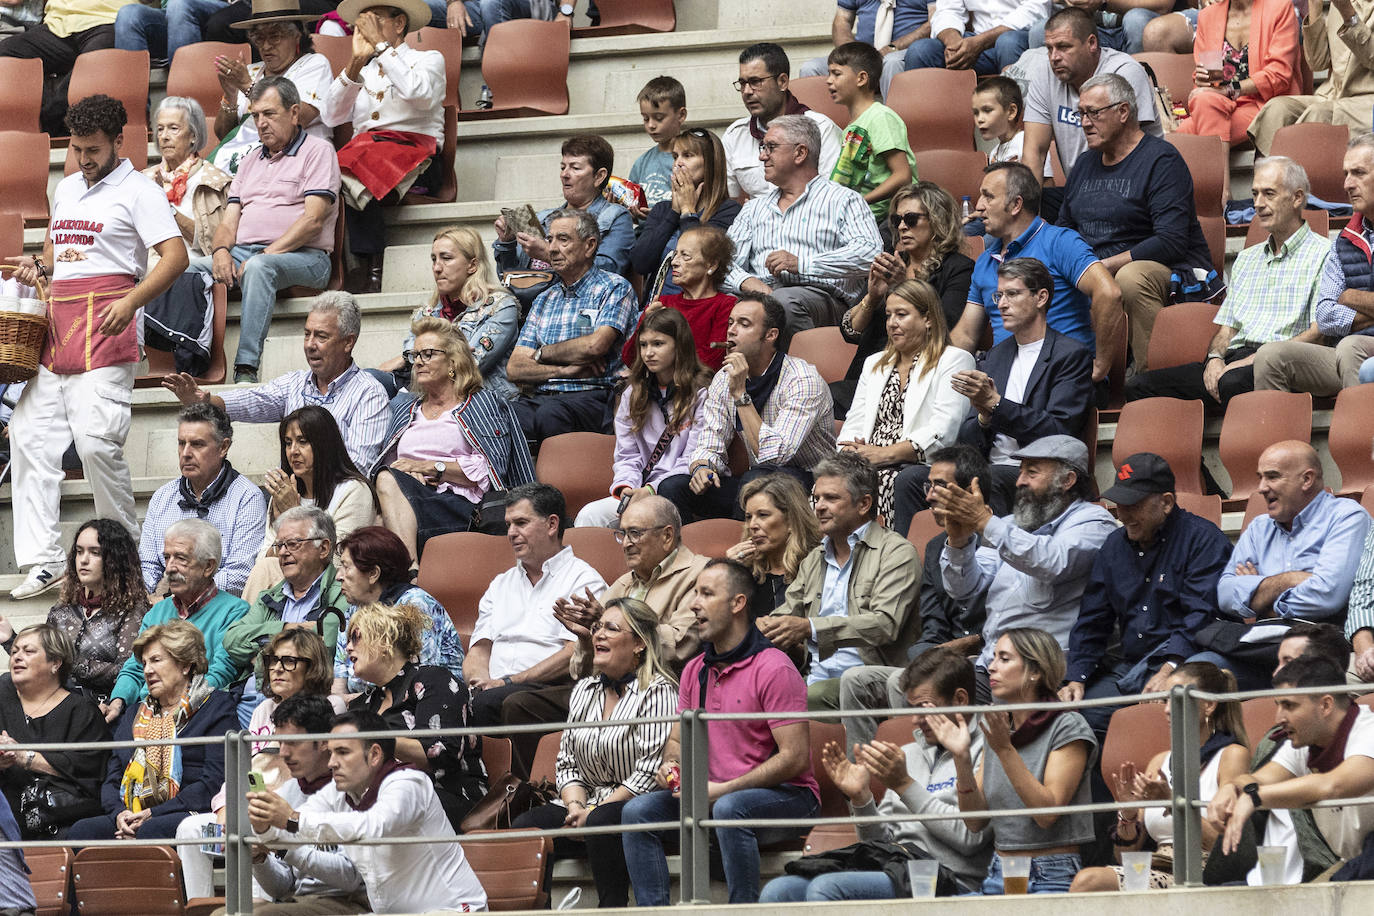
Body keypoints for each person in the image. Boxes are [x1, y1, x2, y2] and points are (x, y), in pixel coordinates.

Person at [6, 95, 188, 601]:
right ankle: (43, 560)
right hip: (59, 329)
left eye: (93, 150)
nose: (84, 159)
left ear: (119, 142)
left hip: (109, 325)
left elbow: (175, 257)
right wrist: (37, 269)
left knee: (94, 444)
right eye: (78, 150)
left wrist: (132, 302)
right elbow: (55, 255)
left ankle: (123, 558)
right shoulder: (64, 188)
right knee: (27, 437)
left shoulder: (138, 190)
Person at [621, 559, 821, 905]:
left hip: (788, 795)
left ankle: (741, 910)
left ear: (738, 604)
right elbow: (676, 741)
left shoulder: (774, 666)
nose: (694, 603)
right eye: (695, 592)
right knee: (636, 814)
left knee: (730, 809)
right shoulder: (694, 669)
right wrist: (672, 768)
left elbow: (795, 758)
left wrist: (723, 790)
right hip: (715, 794)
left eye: (706, 593)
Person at [760, 648, 993, 901]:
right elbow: (880, 842)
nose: (915, 720)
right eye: (910, 708)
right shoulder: (910, 753)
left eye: (925, 707)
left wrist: (905, 785)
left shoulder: (990, 751)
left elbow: (970, 838)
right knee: (780, 890)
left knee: (828, 888)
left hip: (948, 879)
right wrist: (862, 800)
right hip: (896, 867)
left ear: (960, 699)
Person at [502, 495, 709, 776]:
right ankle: (535, 789)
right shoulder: (624, 583)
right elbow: (579, 669)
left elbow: (680, 644)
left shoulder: (701, 573)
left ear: (667, 535)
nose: (625, 543)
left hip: (655, 690)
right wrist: (587, 637)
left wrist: (612, 624)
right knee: (518, 705)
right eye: (621, 534)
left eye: (635, 533)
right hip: (604, 688)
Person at [898, 257, 1094, 526]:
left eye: (1012, 294)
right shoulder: (994, 357)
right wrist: (984, 418)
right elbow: (967, 440)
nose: (1001, 304)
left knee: (994, 477)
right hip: (988, 467)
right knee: (910, 480)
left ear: (1041, 297)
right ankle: (908, 562)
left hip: (1038, 470)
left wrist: (996, 405)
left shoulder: (1070, 355)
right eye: (998, 295)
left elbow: (1060, 431)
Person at [511, 598, 677, 907]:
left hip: (635, 806)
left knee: (603, 821)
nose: (598, 634)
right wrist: (576, 807)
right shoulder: (585, 690)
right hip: (586, 804)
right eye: (597, 627)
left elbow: (647, 774)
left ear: (639, 643)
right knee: (526, 827)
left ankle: (611, 908)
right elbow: (568, 763)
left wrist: (591, 815)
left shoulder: (658, 691)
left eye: (611, 628)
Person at [1125, 157, 1329, 410]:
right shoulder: (1246, 258)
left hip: (1278, 362)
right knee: (1139, 387)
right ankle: (1179, 450)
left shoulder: (1325, 254)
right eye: (1254, 194)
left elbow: (1317, 334)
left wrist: (1251, 361)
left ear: (1297, 198)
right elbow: (1226, 330)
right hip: (1233, 361)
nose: (1257, 204)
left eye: (1269, 194)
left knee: (1232, 383)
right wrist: (1214, 359)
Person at [1059, 452, 1234, 735]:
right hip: (1131, 666)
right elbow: (1092, 619)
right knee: (1072, 719)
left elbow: (1202, 616)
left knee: (1145, 711)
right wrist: (1076, 678)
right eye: (1118, 504)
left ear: (1166, 502)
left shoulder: (1203, 540)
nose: (1123, 514)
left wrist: (1170, 668)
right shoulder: (1114, 547)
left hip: (1189, 661)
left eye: (1133, 504)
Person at [249, 709, 488, 913]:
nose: (331, 762)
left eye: (342, 752)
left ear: (374, 754)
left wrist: (291, 820)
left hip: (453, 911)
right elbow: (295, 825)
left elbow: (373, 827)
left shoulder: (409, 784)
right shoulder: (338, 790)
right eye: (330, 753)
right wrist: (266, 829)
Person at [936, 435, 1116, 700]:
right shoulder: (1010, 524)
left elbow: (1053, 562)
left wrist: (986, 523)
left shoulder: (1094, 522)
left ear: (1068, 481)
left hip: (1042, 672)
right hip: (992, 664)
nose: (1019, 481)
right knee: (916, 688)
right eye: (1020, 472)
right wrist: (959, 541)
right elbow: (964, 589)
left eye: (1031, 473)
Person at [1057, 73, 1217, 371]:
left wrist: (1104, 267)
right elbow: (1065, 230)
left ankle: (1153, 378)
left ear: (1123, 112)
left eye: (1093, 112)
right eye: (1081, 114)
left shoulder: (1161, 160)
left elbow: (1171, 241)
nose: (1084, 122)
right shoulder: (1083, 164)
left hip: (1165, 269)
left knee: (1130, 279)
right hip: (1096, 270)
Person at [174, 629, 348, 902]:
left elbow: (313, 770)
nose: (277, 669)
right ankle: (201, 906)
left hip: (288, 812)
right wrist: (225, 808)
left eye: (289, 661)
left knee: (253, 834)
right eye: (272, 661)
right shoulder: (263, 710)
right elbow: (248, 769)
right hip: (251, 808)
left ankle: (258, 906)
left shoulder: (330, 707)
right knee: (193, 830)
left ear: (312, 667)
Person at [188, 75, 340, 384]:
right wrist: (219, 253)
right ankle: (189, 357)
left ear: (294, 113)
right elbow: (229, 222)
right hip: (245, 251)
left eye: (269, 114)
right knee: (186, 269)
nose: (261, 123)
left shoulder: (319, 151)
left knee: (258, 267)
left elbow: (313, 221)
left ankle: (246, 368)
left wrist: (264, 254)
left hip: (307, 257)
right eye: (255, 115)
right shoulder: (249, 161)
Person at [839, 443, 991, 750]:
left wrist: (962, 646)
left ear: (970, 491)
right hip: (939, 657)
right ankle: (864, 787)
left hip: (986, 661)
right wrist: (929, 654)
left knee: (903, 681)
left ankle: (917, 776)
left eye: (940, 486)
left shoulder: (1003, 541)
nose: (929, 496)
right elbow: (932, 625)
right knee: (854, 679)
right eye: (929, 485)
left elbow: (1007, 625)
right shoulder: (935, 547)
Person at [930, 628, 1097, 894]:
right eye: (993, 657)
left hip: (1052, 876)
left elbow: (1046, 814)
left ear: (1035, 671)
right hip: (998, 872)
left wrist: (1005, 750)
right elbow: (975, 821)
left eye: (1004, 659)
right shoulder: (999, 726)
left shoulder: (1067, 726)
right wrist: (961, 759)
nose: (991, 667)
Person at [164, 291, 391, 473]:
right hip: (292, 498)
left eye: (321, 336)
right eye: (306, 334)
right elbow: (254, 400)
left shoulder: (368, 393)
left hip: (341, 505)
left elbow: (359, 468)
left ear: (348, 342)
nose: (310, 344)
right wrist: (206, 401)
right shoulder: (295, 384)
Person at [1071, 661, 1249, 891]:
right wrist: (1128, 813)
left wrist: (1174, 802)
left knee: (1089, 882)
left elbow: (1225, 844)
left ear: (1209, 705)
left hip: (1205, 871)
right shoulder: (1160, 761)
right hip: (1158, 866)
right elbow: (1124, 855)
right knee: (1090, 880)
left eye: (1176, 700)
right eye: (1165, 700)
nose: (1166, 709)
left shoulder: (1232, 755)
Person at [659, 295, 837, 523]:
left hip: (813, 483)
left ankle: (741, 555)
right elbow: (709, 443)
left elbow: (776, 455)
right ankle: (685, 556)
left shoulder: (802, 379)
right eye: (731, 322)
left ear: (771, 335)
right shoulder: (724, 379)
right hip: (759, 479)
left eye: (744, 324)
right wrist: (702, 467)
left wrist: (741, 395)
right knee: (674, 487)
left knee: (754, 482)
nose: (731, 331)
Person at [764, 452, 922, 709]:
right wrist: (763, 628)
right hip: (813, 678)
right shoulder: (814, 559)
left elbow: (885, 625)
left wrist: (810, 628)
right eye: (817, 498)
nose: (819, 506)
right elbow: (787, 613)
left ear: (864, 504)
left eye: (831, 498)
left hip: (872, 679)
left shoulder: (896, 552)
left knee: (806, 698)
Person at [373, 317, 535, 562]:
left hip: (462, 507)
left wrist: (429, 468)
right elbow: (392, 466)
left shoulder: (481, 403)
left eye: (428, 354)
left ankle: (409, 571)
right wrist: (407, 477)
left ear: (453, 361)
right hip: (410, 500)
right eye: (414, 355)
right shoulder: (406, 410)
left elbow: (491, 470)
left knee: (386, 488)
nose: (418, 362)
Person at [1212, 441, 1371, 686]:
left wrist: (1261, 601)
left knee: (1299, 679)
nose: (1262, 488)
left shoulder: (1346, 517)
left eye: (1272, 477)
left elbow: (1326, 596)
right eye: (1260, 477)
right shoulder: (1258, 528)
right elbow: (1224, 595)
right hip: (1262, 645)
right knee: (1196, 678)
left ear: (1307, 479)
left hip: (1318, 646)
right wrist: (1288, 580)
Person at [949, 163, 1122, 387]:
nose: (979, 206)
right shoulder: (984, 261)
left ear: (1015, 204)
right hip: (1007, 380)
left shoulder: (1060, 242)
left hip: (1061, 378)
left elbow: (1109, 293)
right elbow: (966, 335)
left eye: (988, 197)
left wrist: (1100, 366)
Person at [1209, 656, 1374, 885]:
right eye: (1277, 705)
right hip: (1355, 865)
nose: (1279, 718)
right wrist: (1232, 787)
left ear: (1325, 705)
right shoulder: (1303, 743)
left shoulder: (1369, 732)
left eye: (1289, 706)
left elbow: (1332, 785)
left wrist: (1254, 797)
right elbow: (1258, 779)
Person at [68, 620, 238, 840]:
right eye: (145, 663)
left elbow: (214, 782)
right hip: (133, 813)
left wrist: (153, 814)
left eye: (156, 660)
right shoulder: (134, 714)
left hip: (195, 814)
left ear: (185, 665)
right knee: (82, 831)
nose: (147, 670)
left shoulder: (216, 706)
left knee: (152, 831)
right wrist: (120, 814)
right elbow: (113, 776)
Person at [321, 0, 445, 293]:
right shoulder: (364, 67)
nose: (364, 29)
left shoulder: (429, 58)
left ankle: (372, 266)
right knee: (327, 171)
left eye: (373, 21)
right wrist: (355, 61)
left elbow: (419, 94)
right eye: (361, 23)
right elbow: (331, 115)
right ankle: (356, 266)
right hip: (366, 152)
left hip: (417, 152)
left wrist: (381, 47)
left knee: (350, 170)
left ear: (399, 23)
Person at [725, 114, 883, 333]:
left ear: (800, 153)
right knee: (713, 307)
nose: (762, 156)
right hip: (758, 296)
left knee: (782, 303)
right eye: (763, 147)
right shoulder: (753, 209)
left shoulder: (844, 200)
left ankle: (798, 367)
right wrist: (746, 282)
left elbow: (870, 255)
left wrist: (803, 264)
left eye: (770, 147)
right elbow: (721, 263)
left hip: (819, 298)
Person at [465, 483, 606, 726]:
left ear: (552, 524)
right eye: (508, 524)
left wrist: (509, 682)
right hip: (495, 691)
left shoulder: (583, 580)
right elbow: (479, 649)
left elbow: (573, 654)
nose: (510, 533)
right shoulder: (500, 584)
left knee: (496, 704)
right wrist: (480, 682)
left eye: (521, 523)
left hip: (549, 689)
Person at [838, 279, 974, 521]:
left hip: (912, 464)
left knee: (884, 481)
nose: (892, 323)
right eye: (889, 315)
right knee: (829, 484)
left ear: (928, 319)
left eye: (902, 314)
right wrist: (850, 448)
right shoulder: (874, 363)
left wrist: (885, 454)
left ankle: (891, 556)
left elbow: (944, 431)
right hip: (866, 461)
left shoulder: (954, 360)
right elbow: (854, 419)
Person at [835, 182, 974, 417]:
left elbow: (943, 328)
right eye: (897, 220)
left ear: (937, 221)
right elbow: (850, 331)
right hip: (869, 375)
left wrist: (902, 287)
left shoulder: (959, 268)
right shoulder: (893, 262)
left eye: (910, 219)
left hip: (914, 380)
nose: (901, 227)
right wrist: (874, 295)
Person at [344, 602, 486, 829]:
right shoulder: (364, 704)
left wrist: (375, 737)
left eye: (356, 637)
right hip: (385, 803)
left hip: (447, 797)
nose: (348, 648)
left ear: (385, 640)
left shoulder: (433, 680)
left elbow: (442, 756)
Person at [1253, 133, 1374, 394]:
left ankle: (1361, 434)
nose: (1347, 184)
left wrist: (1350, 296)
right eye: (1346, 174)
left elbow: (1338, 305)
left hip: (1353, 350)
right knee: (1270, 356)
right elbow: (1326, 316)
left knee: (1351, 346)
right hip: (1346, 355)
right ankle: (1279, 437)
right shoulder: (1345, 241)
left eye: (1359, 173)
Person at [505, 210, 640, 442]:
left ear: (589, 246)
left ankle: (557, 478)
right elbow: (515, 368)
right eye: (550, 239)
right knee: (497, 415)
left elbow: (595, 346)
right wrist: (562, 371)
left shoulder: (614, 288)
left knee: (550, 414)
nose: (553, 248)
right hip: (543, 395)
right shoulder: (544, 299)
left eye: (563, 239)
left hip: (594, 396)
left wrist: (542, 353)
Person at [107, 519, 252, 725]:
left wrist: (177, 709)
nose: (169, 568)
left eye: (181, 558)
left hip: (198, 716)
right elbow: (135, 666)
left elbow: (221, 672)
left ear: (208, 566)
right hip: (145, 712)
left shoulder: (235, 611)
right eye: (167, 557)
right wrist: (118, 701)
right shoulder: (158, 611)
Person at [236, 693, 369, 911]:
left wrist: (283, 845)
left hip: (350, 901)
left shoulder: (354, 789)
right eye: (280, 743)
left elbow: (351, 878)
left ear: (325, 741)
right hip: (299, 902)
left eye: (293, 743)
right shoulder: (288, 791)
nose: (283, 753)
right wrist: (260, 859)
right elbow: (283, 887)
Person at [578, 310, 710, 528]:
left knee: (656, 507)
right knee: (590, 515)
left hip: (679, 489)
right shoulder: (633, 393)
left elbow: (694, 458)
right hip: (640, 488)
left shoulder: (702, 392)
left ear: (679, 346)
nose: (649, 353)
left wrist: (652, 489)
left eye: (658, 344)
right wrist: (626, 487)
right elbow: (627, 456)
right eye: (644, 345)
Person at [224, 507, 350, 723]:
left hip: (302, 710)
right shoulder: (270, 596)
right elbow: (232, 639)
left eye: (292, 544)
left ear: (324, 548)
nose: (282, 552)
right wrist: (286, 629)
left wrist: (260, 653)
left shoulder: (342, 593)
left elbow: (325, 644)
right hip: (245, 704)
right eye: (279, 545)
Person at [241, 405, 378, 602]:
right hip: (284, 583)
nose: (293, 451)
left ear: (324, 444)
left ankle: (245, 630)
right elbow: (265, 556)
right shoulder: (284, 492)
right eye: (288, 443)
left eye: (302, 442)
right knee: (264, 567)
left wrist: (292, 513)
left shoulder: (354, 491)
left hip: (334, 590)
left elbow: (338, 561)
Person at [372, 226, 520, 399]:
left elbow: (470, 365)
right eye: (434, 259)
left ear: (472, 265)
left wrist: (407, 358)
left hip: (477, 398)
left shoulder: (500, 307)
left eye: (446, 258)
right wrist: (412, 357)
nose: (437, 268)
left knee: (401, 402)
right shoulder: (426, 312)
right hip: (428, 391)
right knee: (371, 380)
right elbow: (415, 361)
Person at [1020, 8, 1162, 185]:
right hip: (1079, 189)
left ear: (1092, 43)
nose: (1054, 57)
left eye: (1064, 47)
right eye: (1049, 48)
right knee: (1012, 204)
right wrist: (1029, 211)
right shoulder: (1045, 75)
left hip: (1131, 186)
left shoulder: (1124, 72)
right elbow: (1034, 152)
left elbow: (1128, 151)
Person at [139, 402, 269, 595]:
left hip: (218, 610)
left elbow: (241, 575)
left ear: (223, 447)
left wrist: (178, 590)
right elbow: (148, 567)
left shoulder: (247, 497)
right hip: (159, 606)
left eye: (197, 444)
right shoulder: (162, 497)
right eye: (181, 443)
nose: (185, 454)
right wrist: (144, 596)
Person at [0, 625, 109, 839]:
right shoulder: (2, 696)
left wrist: (27, 758)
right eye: (14, 652)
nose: (17, 657)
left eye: (29, 651)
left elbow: (90, 773)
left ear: (55, 663)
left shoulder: (82, 712)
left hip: (56, 819)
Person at [332, 526, 464, 695]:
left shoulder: (415, 607)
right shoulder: (352, 612)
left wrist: (354, 703)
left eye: (346, 567)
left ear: (373, 573)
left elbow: (418, 684)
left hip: (425, 707)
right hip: (367, 709)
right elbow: (340, 683)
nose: (338, 576)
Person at [211, 0, 334, 175]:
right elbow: (225, 136)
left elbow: (297, 119)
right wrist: (230, 94)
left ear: (297, 35)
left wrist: (247, 86)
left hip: (298, 160)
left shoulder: (314, 65)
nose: (266, 46)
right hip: (246, 165)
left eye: (275, 36)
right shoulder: (251, 72)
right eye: (260, 38)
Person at [35, 520, 149, 701]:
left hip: (101, 705)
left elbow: (128, 670)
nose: (83, 559)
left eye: (95, 553)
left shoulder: (132, 610)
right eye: (79, 552)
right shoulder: (61, 609)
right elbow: (40, 660)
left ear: (116, 560)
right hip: (55, 700)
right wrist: (10, 639)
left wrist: (70, 664)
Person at [493, 134, 635, 278]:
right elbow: (508, 277)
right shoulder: (542, 217)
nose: (564, 174)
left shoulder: (615, 216)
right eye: (563, 167)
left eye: (575, 168)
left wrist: (548, 253)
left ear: (599, 176)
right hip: (531, 298)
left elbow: (608, 273)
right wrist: (507, 244)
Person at [630, 128, 742, 306]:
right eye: (675, 157)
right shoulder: (661, 209)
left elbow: (702, 260)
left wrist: (688, 211)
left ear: (710, 163)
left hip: (699, 309)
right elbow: (641, 263)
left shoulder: (729, 211)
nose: (678, 164)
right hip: (656, 309)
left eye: (688, 155)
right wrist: (673, 212)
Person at [1248, 0, 1374, 154]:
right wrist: (1314, 7)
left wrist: (1348, 14)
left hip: (1366, 102)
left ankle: (1289, 175)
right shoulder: (1340, 4)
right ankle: (1267, 175)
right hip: (1333, 95)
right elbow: (1318, 63)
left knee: (1318, 114)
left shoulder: (1343, 5)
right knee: (1276, 110)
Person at [722, 42, 843, 200]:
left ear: (782, 82)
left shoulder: (820, 129)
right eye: (743, 83)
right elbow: (726, 201)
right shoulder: (735, 135)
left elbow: (833, 196)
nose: (747, 92)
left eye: (755, 82)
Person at [1176, 0, 1302, 145]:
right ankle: (1219, 167)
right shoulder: (1208, 16)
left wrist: (1229, 90)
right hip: (1219, 104)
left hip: (1267, 104)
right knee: (1200, 106)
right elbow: (1208, 79)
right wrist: (1203, 80)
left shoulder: (1279, 7)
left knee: (1184, 138)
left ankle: (1215, 165)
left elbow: (1279, 75)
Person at [0, 2, 131, 135]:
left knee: (93, 62)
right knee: (6, 51)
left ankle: (52, 121)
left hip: (106, 18)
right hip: (59, 24)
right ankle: (35, 125)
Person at [825, 42, 917, 225]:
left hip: (888, 219)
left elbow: (902, 176)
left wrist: (859, 203)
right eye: (829, 74)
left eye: (836, 74)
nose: (828, 80)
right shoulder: (851, 127)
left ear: (861, 79)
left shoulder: (880, 117)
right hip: (860, 217)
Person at [624, 225, 737, 371]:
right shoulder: (662, 303)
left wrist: (665, 363)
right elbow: (630, 359)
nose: (674, 262)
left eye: (685, 256)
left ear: (712, 264)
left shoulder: (726, 306)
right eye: (675, 254)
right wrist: (645, 323)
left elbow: (713, 359)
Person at [724, 473, 822, 620]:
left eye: (763, 515)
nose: (752, 525)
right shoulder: (747, 571)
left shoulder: (819, 565)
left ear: (791, 520)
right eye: (749, 517)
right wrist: (728, 574)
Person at [145, 97, 232, 257]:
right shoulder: (144, 179)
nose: (164, 136)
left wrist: (165, 206)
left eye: (173, 128)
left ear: (193, 135)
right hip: (145, 270)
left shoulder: (213, 181)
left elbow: (212, 244)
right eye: (160, 129)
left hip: (191, 271)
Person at [799, 0, 935, 96]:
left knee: (891, 62)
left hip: (903, 52)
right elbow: (842, 21)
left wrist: (893, 47)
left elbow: (934, 21)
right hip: (864, 56)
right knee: (811, 68)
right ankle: (817, 133)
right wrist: (853, 55)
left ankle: (892, 128)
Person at [905, 0, 1047, 74]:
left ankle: (1018, 126)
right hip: (975, 43)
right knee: (921, 50)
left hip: (1021, 40)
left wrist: (981, 42)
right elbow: (947, 10)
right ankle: (919, 126)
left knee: (1008, 42)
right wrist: (954, 44)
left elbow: (1034, 9)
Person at [975, 76, 1054, 182]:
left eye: (988, 110)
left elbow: (1047, 186)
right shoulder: (994, 153)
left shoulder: (1028, 144)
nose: (980, 119)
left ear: (1011, 112)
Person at [629, 76, 689, 210]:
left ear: (681, 115)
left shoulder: (691, 160)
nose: (651, 125)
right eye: (645, 118)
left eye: (659, 118)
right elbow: (632, 203)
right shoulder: (642, 163)